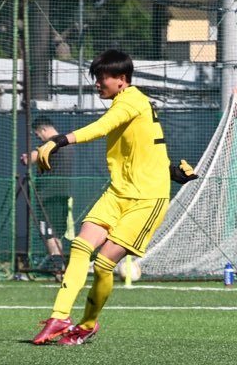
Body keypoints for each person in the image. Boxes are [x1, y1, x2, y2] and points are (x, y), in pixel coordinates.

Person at [32, 49, 197, 345]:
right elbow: (149, 143)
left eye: (101, 78)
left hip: (147, 199)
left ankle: (87, 324)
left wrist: (59, 140)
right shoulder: (128, 102)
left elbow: (101, 128)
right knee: (82, 245)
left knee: (105, 264)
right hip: (119, 192)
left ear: (121, 79)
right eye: (96, 78)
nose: (97, 84)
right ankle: (59, 316)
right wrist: (170, 168)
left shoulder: (131, 100)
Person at [21, 116, 73, 272]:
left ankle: (57, 267)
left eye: (38, 134)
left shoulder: (52, 143)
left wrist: (27, 158)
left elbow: (30, 158)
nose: (38, 137)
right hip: (63, 195)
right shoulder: (67, 143)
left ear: (43, 130)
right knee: (56, 233)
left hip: (49, 197)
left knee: (49, 234)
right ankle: (60, 265)